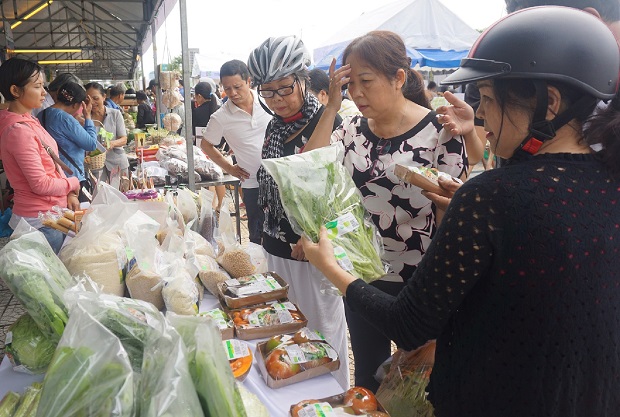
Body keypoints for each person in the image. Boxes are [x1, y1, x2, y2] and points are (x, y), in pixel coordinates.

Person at [302, 7, 620, 416]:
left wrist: (331, 267)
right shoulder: (605, 181)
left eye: (488, 98)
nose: (480, 115)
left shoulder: (490, 195)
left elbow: (409, 324)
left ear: (550, 103)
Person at [304, 30, 468, 392]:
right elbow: (309, 166)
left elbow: (455, 217)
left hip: (421, 279)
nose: (357, 94)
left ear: (398, 78)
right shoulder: (350, 129)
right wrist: (331, 105)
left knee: (420, 382)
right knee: (367, 375)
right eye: (351, 84)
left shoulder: (440, 132)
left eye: (366, 81)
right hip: (362, 273)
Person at [247, 35, 349, 389]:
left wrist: (333, 107)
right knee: (291, 333)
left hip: (312, 252)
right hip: (277, 245)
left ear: (303, 80)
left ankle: (334, 399)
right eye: (268, 92)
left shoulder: (329, 122)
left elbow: (323, 179)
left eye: (284, 88)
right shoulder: (275, 126)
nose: (277, 100)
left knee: (323, 333)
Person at [0, 58, 81, 253]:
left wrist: (68, 193)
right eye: (37, 86)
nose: (44, 91)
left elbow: (51, 165)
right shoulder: (18, 131)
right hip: (39, 223)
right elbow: (40, 184)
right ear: (15, 91)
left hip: (51, 215)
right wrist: (72, 183)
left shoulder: (29, 120)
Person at [200, 60, 272, 244]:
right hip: (252, 185)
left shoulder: (268, 99)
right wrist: (229, 168)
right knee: (258, 237)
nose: (232, 93)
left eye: (237, 87)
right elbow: (206, 145)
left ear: (249, 82)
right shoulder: (221, 116)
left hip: (281, 179)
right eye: (227, 88)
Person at [37, 81, 97, 203]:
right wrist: (88, 117)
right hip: (72, 178)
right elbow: (91, 144)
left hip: (54, 177)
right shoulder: (65, 119)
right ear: (75, 105)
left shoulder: (41, 115)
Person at [85, 82, 129, 187]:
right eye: (88, 99)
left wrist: (112, 143)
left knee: (123, 195)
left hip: (117, 162)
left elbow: (123, 139)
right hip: (96, 166)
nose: (92, 103)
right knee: (101, 197)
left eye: (96, 98)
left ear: (104, 97)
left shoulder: (115, 114)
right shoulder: (85, 118)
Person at [192, 81, 226, 212]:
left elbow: (193, 132)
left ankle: (208, 207)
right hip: (217, 147)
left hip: (202, 149)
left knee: (206, 178)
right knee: (218, 176)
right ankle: (220, 204)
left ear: (199, 96)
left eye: (195, 96)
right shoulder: (217, 109)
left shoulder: (196, 112)